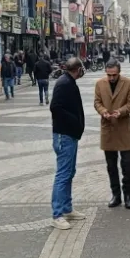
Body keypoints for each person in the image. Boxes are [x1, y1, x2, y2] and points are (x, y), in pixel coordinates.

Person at [94, 59, 130, 209]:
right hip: (107, 128)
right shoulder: (100, 84)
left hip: (122, 127)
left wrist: (121, 111)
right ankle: (116, 195)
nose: (111, 78)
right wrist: (103, 111)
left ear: (119, 72)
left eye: (114, 75)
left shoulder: (129, 83)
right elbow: (97, 102)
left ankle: (128, 195)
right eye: (109, 75)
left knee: (126, 163)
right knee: (111, 165)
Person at [50, 57, 87, 230]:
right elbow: (55, 107)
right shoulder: (64, 83)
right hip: (64, 135)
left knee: (69, 172)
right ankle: (57, 214)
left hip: (70, 134)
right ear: (77, 69)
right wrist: (73, 121)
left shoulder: (69, 82)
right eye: (81, 68)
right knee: (63, 174)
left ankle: (67, 208)